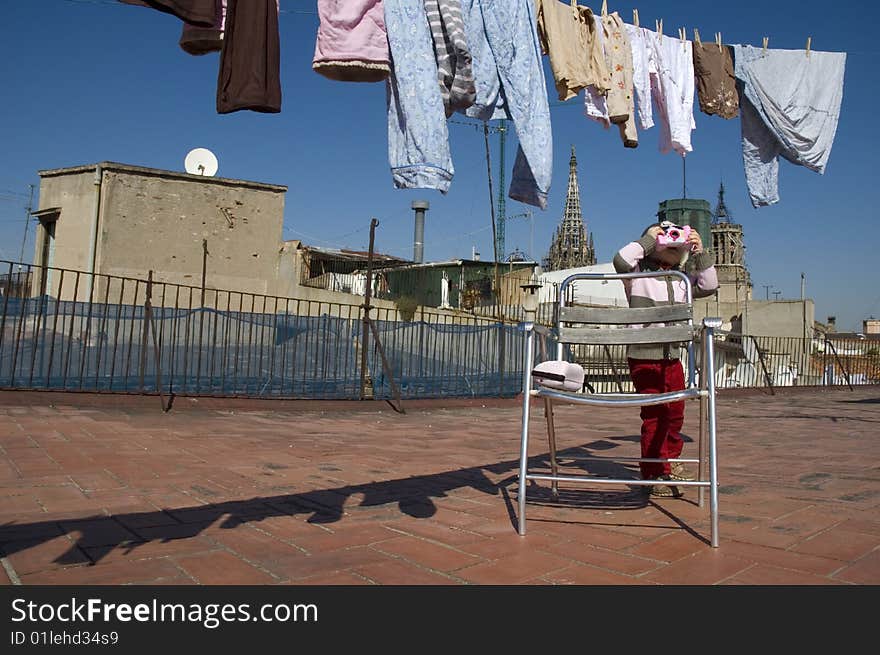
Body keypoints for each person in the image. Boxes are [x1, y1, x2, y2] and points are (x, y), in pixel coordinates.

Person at [612, 222, 718, 498]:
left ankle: (670, 460)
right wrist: (648, 238)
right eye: (665, 236)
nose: (670, 241)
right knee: (655, 414)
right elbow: (621, 259)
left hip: (673, 357)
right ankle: (654, 470)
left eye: (675, 237)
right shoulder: (637, 276)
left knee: (675, 412)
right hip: (644, 356)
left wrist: (699, 251)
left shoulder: (681, 279)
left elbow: (709, 285)